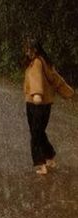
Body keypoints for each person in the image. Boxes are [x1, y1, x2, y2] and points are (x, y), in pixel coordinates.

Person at [23, 38, 74, 175]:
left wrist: (37, 93)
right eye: (27, 49)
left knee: (35, 133)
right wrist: (67, 92)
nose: (28, 52)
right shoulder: (45, 61)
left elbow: (35, 79)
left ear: (36, 49)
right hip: (46, 104)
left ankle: (40, 164)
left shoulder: (36, 63)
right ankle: (50, 156)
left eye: (31, 49)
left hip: (36, 103)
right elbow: (55, 78)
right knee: (39, 132)